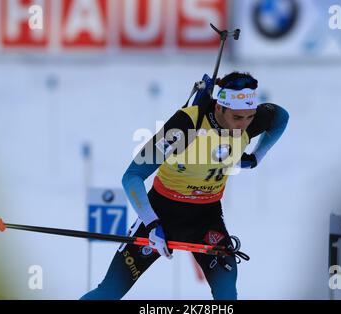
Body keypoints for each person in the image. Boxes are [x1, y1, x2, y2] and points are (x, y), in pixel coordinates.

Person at [80, 71, 289, 300]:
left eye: (249, 117)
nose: (243, 126)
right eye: (237, 118)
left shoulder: (248, 119)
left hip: (206, 219)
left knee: (227, 294)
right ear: (219, 108)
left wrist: (257, 156)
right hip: (161, 214)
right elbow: (131, 177)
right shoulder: (185, 126)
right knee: (109, 293)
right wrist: (151, 224)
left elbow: (281, 117)